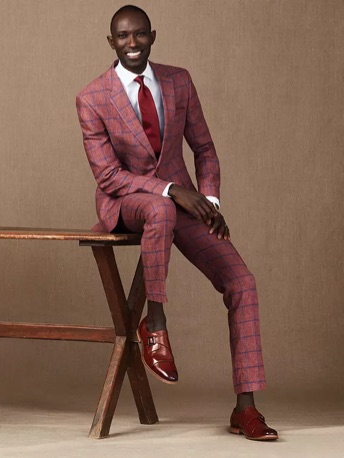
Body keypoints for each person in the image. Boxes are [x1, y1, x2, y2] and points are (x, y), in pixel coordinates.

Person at [76, 5, 277, 441]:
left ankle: (246, 409)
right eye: (123, 37)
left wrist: (208, 200)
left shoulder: (178, 80)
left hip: (184, 203)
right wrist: (170, 191)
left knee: (243, 283)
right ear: (111, 42)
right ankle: (157, 324)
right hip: (127, 201)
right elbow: (108, 175)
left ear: (152, 36)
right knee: (161, 208)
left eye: (140, 35)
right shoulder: (92, 97)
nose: (133, 43)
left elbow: (203, 148)